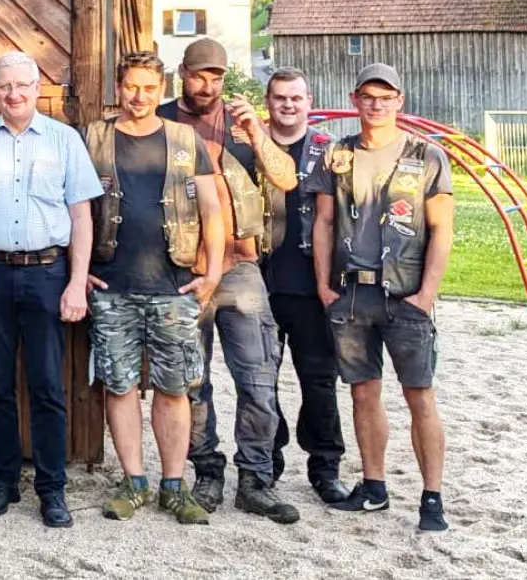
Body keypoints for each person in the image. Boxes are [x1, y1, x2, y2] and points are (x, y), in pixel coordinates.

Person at [0, 51, 103, 529]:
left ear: (37, 88)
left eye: (22, 86)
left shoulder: (64, 140)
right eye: (4, 87)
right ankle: (4, 482)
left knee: (48, 386)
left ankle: (52, 489)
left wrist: (76, 283)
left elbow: (81, 218)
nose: (13, 94)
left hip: (47, 273)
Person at [156, 38, 300, 524]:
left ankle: (256, 478)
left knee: (259, 381)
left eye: (216, 78)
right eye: (199, 76)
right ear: (182, 73)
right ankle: (207, 472)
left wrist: (258, 134)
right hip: (181, 268)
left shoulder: (244, 126)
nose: (208, 86)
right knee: (190, 382)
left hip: (240, 267)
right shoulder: (160, 119)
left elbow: (286, 179)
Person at [307, 63, 454, 532]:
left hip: (405, 292)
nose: (377, 105)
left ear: (400, 101)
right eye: (369, 96)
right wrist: (324, 287)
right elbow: (324, 222)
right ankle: (374, 487)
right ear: (355, 99)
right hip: (352, 294)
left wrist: (426, 294)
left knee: (420, 396)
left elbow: (442, 230)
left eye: (385, 97)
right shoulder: (339, 154)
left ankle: (432, 498)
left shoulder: (426, 156)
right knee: (363, 393)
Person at [83, 52, 224, 525]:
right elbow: (76, 208)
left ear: (161, 88)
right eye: (131, 87)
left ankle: (173, 486)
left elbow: (212, 209)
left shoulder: (185, 139)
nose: (139, 97)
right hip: (112, 284)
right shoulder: (96, 137)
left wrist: (214, 272)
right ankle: (132, 482)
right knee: (119, 386)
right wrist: (78, 268)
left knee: (174, 387)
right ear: (118, 87)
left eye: (148, 88)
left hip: (174, 286)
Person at [261, 68, 350, 503]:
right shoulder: (249, 144)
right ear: (268, 101)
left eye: (296, 98)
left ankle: (325, 466)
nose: (288, 105)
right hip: (261, 282)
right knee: (262, 382)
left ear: (309, 101)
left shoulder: (328, 150)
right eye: (280, 98)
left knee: (318, 381)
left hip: (314, 287)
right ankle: (268, 460)